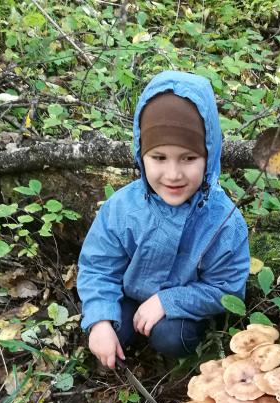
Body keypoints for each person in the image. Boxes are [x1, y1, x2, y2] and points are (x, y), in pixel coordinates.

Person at [77, 70, 250, 368]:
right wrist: (100, 320)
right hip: (130, 295)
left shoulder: (224, 222)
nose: (173, 174)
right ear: (141, 154)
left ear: (209, 156)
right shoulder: (123, 208)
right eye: (159, 158)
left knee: (172, 337)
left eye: (189, 158)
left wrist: (168, 301)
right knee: (110, 329)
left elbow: (227, 288)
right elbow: (98, 266)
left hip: (182, 309)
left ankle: (174, 355)